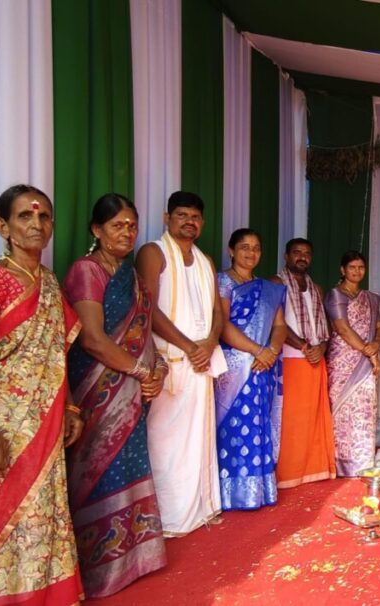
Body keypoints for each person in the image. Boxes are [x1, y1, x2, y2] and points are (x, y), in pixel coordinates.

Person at [0, 185, 84, 604]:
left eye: (43, 217)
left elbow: (56, 353)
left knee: (40, 526)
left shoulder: (48, 281)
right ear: (2, 227)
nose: (37, 225)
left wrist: (71, 407)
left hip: (42, 431)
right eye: (25, 216)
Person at [63, 194, 167, 596]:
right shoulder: (86, 271)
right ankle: (98, 569)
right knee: (94, 472)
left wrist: (157, 370)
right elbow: (91, 339)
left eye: (131, 225)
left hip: (133, 388)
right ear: (97, 230)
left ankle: (133, 555)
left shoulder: (132, 275)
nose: (126, 232)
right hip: (96, 390)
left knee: (129, 465)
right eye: (117, 225)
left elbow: (144, 331)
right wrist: (142, 370)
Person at [136, 191, 226, 536]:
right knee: (165, 440)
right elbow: (147, 308)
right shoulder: (153, 253)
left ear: (202, 223)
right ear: (166, 217)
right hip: (170, 359)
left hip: (200, 361)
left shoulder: (205, 260)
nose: (189, 222)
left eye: (195, 217)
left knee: (199, 437)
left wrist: (210, 342)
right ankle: (169, 518)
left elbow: (218, 311)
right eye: (182, 215)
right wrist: (190, 346)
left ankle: (199, 509)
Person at [214, 229, 287, 510]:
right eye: (244, 247)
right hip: (234, 367)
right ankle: (231, 493)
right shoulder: (222, 281)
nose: (250, 253)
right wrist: (259, 351)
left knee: (259, 426)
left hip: (263, 366)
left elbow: (279, 326)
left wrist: (271, 351)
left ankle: (259, 490)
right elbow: (222, 324)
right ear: (231, 250)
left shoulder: (268, 289)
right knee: (232, 430)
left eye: (256, 248)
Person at [275, 238, 336, 487]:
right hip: (290, 358)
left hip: (314, 359)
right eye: (297, 252)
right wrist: (304, 346)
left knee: (314, 418)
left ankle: (314, 470)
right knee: (291, 420)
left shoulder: (317, 288)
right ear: (286, 255)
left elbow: (325, 324)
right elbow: (274, 323)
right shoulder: (275, 283)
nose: (302, 257)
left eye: (307, 253)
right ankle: (288, 475)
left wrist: (321, 348)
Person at [325, 251, 380, 476]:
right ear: (343, 270)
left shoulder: (370, 298)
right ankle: (342, 463)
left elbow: (379, 326)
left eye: (361, 267)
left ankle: (363, 461)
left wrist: (376, 344)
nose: (357, 271)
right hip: (344, 360)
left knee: (364, 408)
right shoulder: (335, 294)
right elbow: (342, 328)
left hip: (367, 357)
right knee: (342, 409)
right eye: (352, 267)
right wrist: (368, 352)